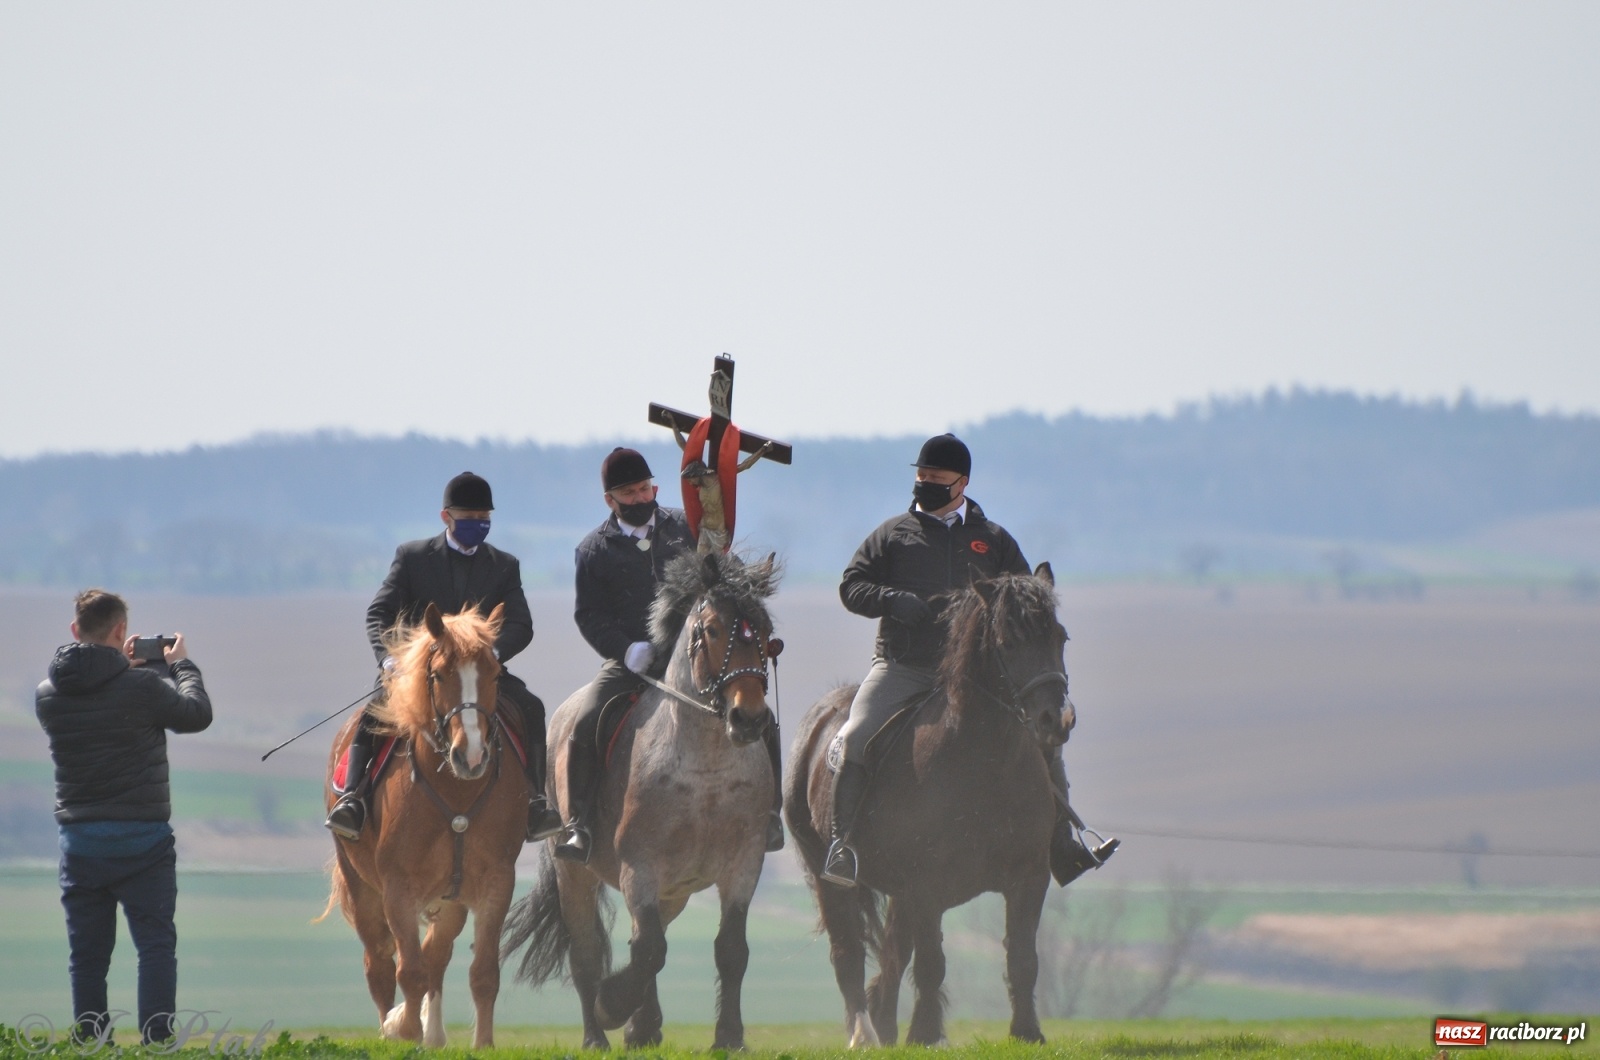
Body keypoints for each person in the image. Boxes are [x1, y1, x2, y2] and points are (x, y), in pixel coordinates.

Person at [823, 433, 1118, 888]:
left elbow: (1028, 603)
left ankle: (1063, 843)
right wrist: (892, 599)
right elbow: (851, 586)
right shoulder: (892, 534)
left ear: (961, 483)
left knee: (1046, 738)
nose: (924, 483)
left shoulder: (994, 540)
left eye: (935, 477)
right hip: (904, 666)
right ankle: (842, 846)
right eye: (921, 476)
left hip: (978, 679)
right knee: (857, 735)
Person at [556, 447, 786, 863]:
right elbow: (589, 615)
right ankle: (579, 825)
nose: (640, 498)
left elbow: (726, 579)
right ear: (610, 499)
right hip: (632, 662)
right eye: (629, 493)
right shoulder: (593, 550)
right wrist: (625, 649)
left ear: (655, 488)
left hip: (700, 657)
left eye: (645, 488)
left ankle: (771, 814)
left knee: (761, 715)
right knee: (587, 719)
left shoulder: (687, 528)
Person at [325, 471, 562, 842]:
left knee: (531, 707)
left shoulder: (504, 564)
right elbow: (379, 614)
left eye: (483, 518)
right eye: (468, 518)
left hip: (479, 672)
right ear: (445, 517)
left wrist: (490, 653)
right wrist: (389, 660)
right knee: (373, 713)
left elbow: (521, 623)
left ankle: (535, 802)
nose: (477, 524)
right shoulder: (413, 557)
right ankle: (353, 799)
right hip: (420, 672)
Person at [35, 589, 213, 1044]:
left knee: (87, 956)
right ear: (120, 630)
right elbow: (196, 714)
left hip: (80, 842)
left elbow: (101, 698)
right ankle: (157, 1042)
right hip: (143, 843)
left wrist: (121, 671)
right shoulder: (143, 688)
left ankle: (92, 1042)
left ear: (75, 629)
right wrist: (181, 666)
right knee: (154, 947)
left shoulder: (47, 695)